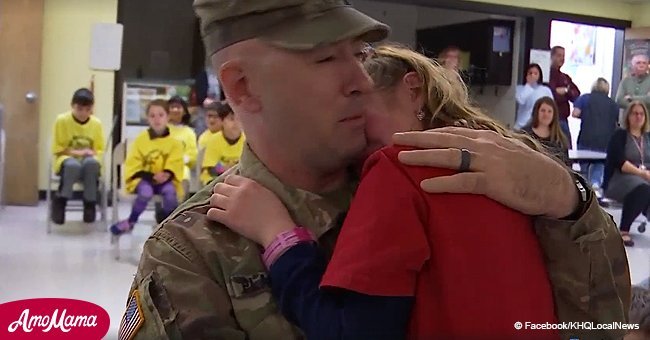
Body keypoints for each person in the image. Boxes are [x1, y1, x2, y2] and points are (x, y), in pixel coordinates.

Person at [120, 1, 630, 339]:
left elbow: (602, 325)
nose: (361, 79)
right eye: (324, 59)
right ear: (243, 88)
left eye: (360, 54)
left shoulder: (459, 174)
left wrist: (570, 201)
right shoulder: (190, 256)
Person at [210, 43, 561, 339]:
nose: (351, 134)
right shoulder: (507, 159)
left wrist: (278, 234)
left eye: (358, 110)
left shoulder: (396, 169)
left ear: (412, 90)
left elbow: (352, 332)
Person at [109, 99, 184, 237]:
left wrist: (167, 173)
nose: (157, 119)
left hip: (166, 180)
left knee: (170, 193)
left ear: (168, 117)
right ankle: (131, 221)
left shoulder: (175, 142)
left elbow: (176, 162)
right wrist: (151, 176)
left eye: (161, 115)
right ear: (147, 118)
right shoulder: (140, 140)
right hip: (145, 179)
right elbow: (133, 163)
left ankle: (168, 225)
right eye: (152, 116)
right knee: (145, 193)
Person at [50, 88, 104, 224]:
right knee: (72, 166)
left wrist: (92, 154)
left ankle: (90, 203)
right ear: (72, 106)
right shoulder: (62, 120)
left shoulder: (96, 124)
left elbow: (100, 149)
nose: (83, 113)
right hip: (67, 159)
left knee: (91, 165)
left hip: (89, 159)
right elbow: (58, 149)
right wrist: (79, 153)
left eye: (87, 110)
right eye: (79, 109)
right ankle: (61, 201)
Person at [604, 101, 650, 247]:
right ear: (628, 116)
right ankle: (624, 230)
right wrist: (642, 173)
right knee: (643, 188)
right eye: (635, 113)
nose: (638, 117)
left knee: (645, 187)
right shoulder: (619, 136)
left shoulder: (648, 138)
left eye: (641, 114)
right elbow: (620, 162)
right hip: (619, 179)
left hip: (643, 178)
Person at [572, 78, 619, 191]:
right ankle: (595, 185)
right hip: (605, 141)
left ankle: (583, 188)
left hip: (586, 138)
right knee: (599, 164)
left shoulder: (585, 98)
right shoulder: (613, 103)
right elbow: (616, 122)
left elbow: (575, 113)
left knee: (584, 165)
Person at [200, 101, 245, 185]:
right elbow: (211, 169)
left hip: (239, 182)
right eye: (231, 119)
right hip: (214, 180)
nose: (235, 123)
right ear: (222, 121)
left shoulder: (247, 141)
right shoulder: (213, 140)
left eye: (239, 119)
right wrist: (227, 170)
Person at [549, 46, 581, 148]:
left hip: (563, 119)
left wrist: (566, 91)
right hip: (551, 120)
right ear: (552, 56)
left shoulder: (565, 77)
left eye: (563, 56)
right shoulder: (547, 75)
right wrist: (561, 94)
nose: (562, 59)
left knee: (567, 150)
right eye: (559, 55)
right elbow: (552, 96)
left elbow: (576, 94)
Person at [523, 97, 570, 165]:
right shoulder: (524, 135)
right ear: (536, 112)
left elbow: (566, 165)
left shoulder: (560, 139)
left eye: (549, 111)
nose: (546, 114)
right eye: (543, 110)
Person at [168, 96, 198, 193]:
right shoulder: (161, 129)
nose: (175, 110)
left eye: (178, 107)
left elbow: (193, 156)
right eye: (172, 107)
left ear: (184, 111)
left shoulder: (189, 132)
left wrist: (183, 159)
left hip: (182, 166)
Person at [515, 63, 553, 130]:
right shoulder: (520, 88)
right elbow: (521, 100)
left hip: (538, 125)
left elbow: (551, 106)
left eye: (535, 73)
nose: (533, 75)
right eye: (530, 73)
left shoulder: (545, 90)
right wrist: (528, 85)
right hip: (522, 125)